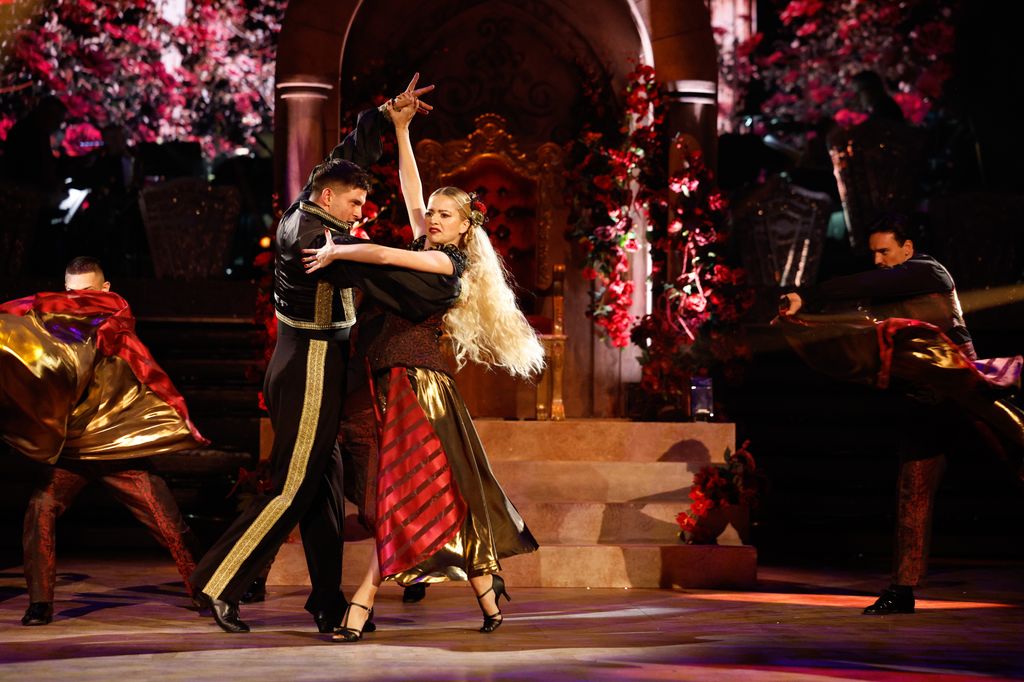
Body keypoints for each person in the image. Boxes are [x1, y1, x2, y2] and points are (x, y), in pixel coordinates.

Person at [189, 76, 436, 634]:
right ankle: (219, 582)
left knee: (325, 487)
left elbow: (343, 157)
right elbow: (387, 269)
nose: (360, 211)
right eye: (355, 203)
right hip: (309, 364)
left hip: (315, 361)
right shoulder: (318, 240)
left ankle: (327, 601)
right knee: (295, 485)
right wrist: (447, 272)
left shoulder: (316, 205)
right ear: (328, 200)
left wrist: (385, 116)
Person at [303, 100, 542, 642]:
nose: (432, 219)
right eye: (432, 213)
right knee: (437, 492)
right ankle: (487, 591)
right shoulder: (428, 243)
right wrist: (403, 130)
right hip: (397, 380)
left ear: (463, 230)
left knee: (404, 495)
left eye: (444, 216)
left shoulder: (444, 264)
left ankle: (360, 606)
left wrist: (339, 248)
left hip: (418, 386)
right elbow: (412, 191)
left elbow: (384, 259)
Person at [779, 216, 1023, 615]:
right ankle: (903, 589)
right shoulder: (890, 292)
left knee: (1016, 454)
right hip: (926, 398)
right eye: (873, 252)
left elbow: (865, 284)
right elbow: (859, 319)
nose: (877, 259)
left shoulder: (928, 270)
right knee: (913, 488)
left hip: (964, 387)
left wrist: (808, 294)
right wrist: (804, 318)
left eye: (884, 251)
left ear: (907, 249)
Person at [1, 257, 207, 626]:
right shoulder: (49, 324)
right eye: (72, 295)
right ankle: (40, 602)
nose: (79, 303)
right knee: (39, 512)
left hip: (117, 443)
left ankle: (208, 588)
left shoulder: (115, 317)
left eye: (89, 294)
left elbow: (115, 332)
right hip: (74, 447)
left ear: (106, 290)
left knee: (166, 519)